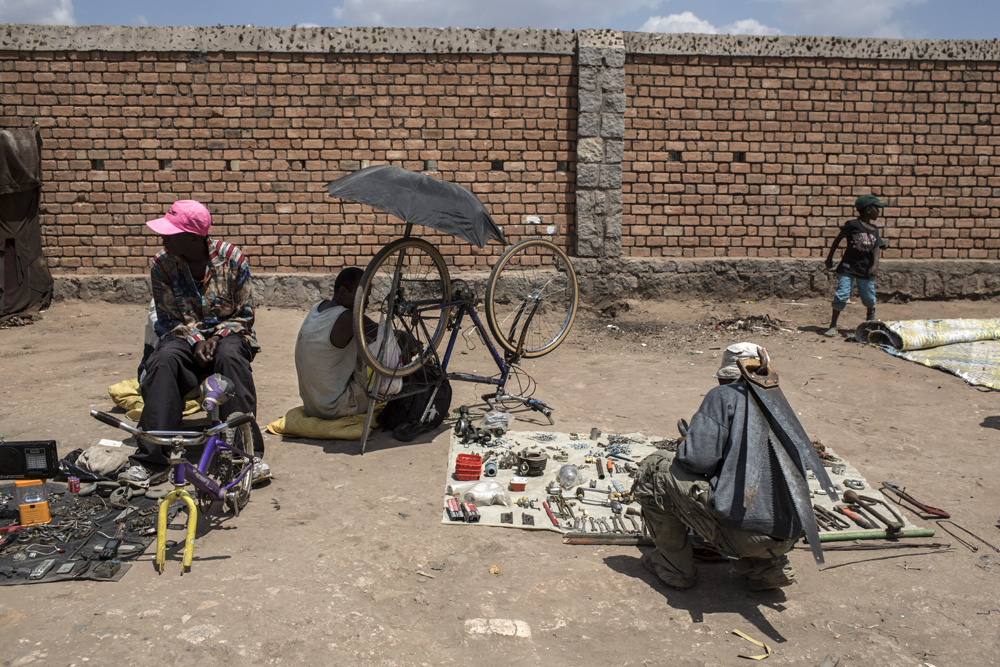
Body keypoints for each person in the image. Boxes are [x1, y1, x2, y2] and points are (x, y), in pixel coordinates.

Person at [120, 200, 269, 484]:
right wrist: (196, 339)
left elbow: (244, 315)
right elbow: (165, 319)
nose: (163, 237)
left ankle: (245, 455)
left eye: (170, 232)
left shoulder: (232, 259)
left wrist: (214, 337)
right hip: (184, 338)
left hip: (227, 337)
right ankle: (150, 460)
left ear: (193, 237)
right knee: (164, 359)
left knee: (230, 356)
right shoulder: (161, 264)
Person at [632, 343, 802, 592]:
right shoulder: (778, 399)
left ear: (725, 377)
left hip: (743, 535)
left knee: (655, 468)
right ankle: (766, 569)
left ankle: (674, 568)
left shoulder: (721, 396)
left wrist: (685, 444)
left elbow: (698, 461)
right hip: (788, 535)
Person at [294, 267, 377, 419]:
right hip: (337, 408)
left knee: (364, 343)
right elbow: (386, 334)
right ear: (344, 292)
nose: (368, 303)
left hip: (313, 406)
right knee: (387, 348)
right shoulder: (348, 319)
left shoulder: (318, 308)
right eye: (364, 296)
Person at [822, 194, 888, 337]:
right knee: (842, 294)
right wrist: (829, 258)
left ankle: (870, 314)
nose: (879, 211)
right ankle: (833, 325)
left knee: (869, 298)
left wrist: (875, 265)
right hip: (848, 267)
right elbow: (837, 240)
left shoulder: (874, 229)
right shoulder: (852, 225)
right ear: (868, 210)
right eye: (877, 208)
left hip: (866, 269)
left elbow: (877, 248)